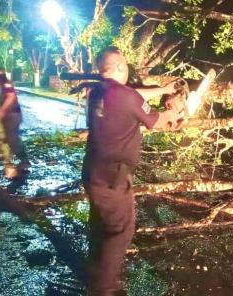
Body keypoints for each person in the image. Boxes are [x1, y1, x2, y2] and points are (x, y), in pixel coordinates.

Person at [82, 46, 184, 296]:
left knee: (100, 224)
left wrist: (161, 90)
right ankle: (104, 289)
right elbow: (159, 121)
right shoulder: (126, 97)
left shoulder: (97, 91)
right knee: (120, 231)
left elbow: (131, 95)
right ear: (119, 67)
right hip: (113, 177)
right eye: (126, 65)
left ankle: (94, 270)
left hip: (94, 172)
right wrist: (175, 108)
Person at [0, 67, 30, 178]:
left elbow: (10, 98)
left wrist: (0, 113)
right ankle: (5, 163)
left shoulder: (7, 84)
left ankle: (24, 161)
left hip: (12, 116)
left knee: (12, 139)